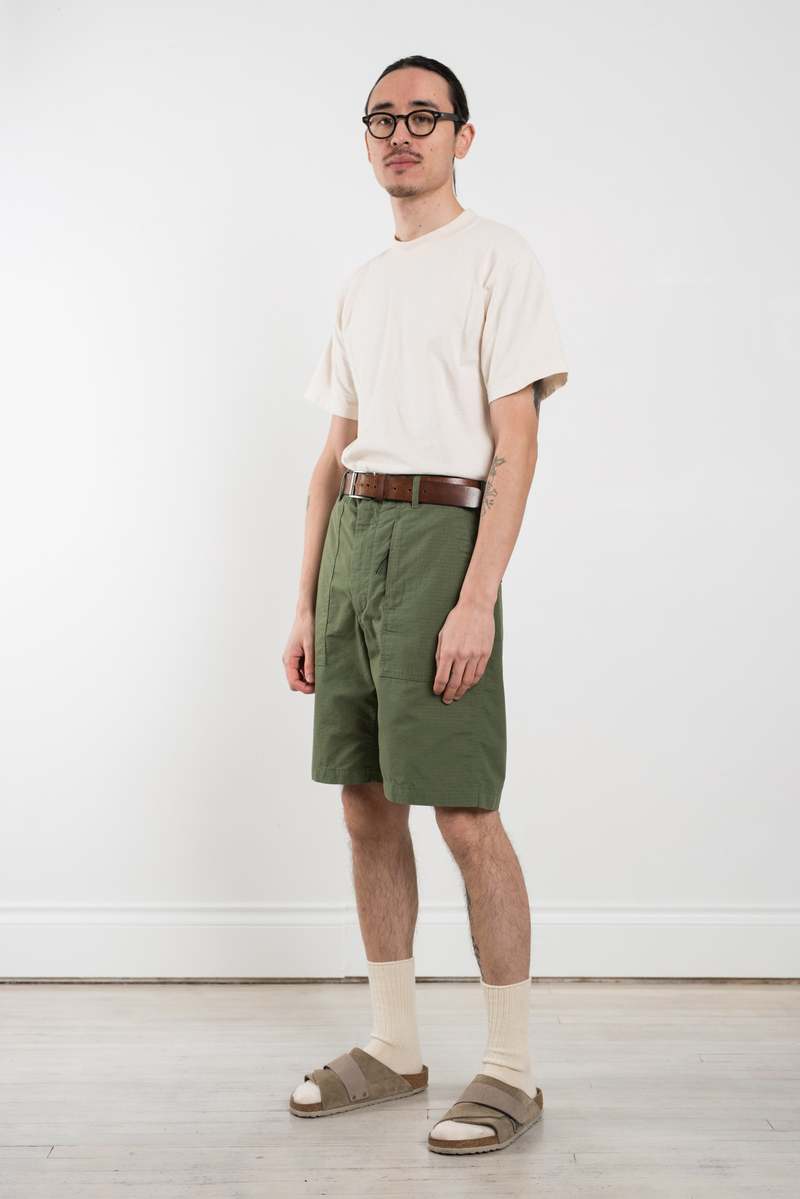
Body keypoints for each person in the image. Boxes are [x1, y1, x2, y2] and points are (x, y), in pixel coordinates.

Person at [283, 54, 569, 1156]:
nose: (400, 133)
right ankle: (395, 1044)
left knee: (461, 809)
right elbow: (332, 454)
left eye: (422, 116)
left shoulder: (498, 257)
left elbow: (516, 444)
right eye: (381, 118)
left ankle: (511, 1066)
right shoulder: (361, 283)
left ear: (462, 135)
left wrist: (476, 597)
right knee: (363, 802)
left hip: (445, 537)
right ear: (366, 140)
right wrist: (304, 601)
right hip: (355, 542)